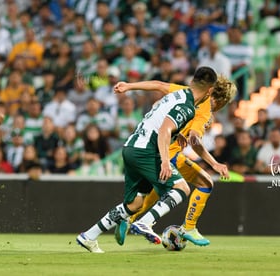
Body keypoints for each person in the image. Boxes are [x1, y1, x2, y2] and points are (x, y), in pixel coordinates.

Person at [76, 67, 229, 253]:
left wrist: (128, 86)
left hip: (131, 147)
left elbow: (158, 87)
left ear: (192, 81)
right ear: (210, 90)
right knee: (181, 188)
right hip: (148, 150)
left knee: (135, 204)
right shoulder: (189, 107)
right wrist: (165, 161)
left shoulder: (178, 93)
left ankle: (88, 236)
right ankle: (146, 222)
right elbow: (165, 130)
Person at [113, 74, 236, 247]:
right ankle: (188, 227)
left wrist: (129, 86)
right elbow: (195, 141)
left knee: (155, 191)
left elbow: (159, 85)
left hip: (152, 147)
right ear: (223, 100)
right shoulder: (206, 112)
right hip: (168, 153)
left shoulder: (188, 91)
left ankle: (128, 218)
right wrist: (214, 163)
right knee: (205, 183)